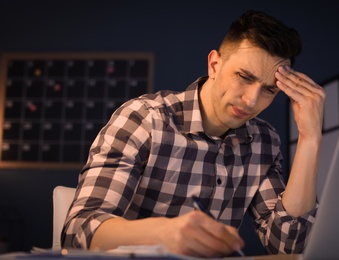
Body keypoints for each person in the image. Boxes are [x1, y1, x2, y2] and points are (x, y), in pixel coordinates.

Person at [62, 9, 325, 257]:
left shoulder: (264, 142)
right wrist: (162, 233)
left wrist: (309, 137)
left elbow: (287, 246)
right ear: (214, 65)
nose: (252, 101)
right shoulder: (145, 118)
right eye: (244, 77)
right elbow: (78, 233)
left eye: (269, 89)